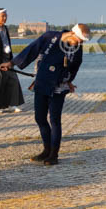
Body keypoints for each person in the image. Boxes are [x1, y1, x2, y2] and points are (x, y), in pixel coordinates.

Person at [12, 23, 90, 165]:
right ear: (72, 33)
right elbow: (32, 50)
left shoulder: (77, 49)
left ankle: (54, 154)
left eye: (82, 41)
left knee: (54, 119)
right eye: (79, 39)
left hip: (59, 87)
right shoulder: (50, 37)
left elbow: (75, 67)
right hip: (41, 82)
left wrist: (69, 80)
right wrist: (12, 64)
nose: (80, 43)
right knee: (39, 118)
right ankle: (46, 150)